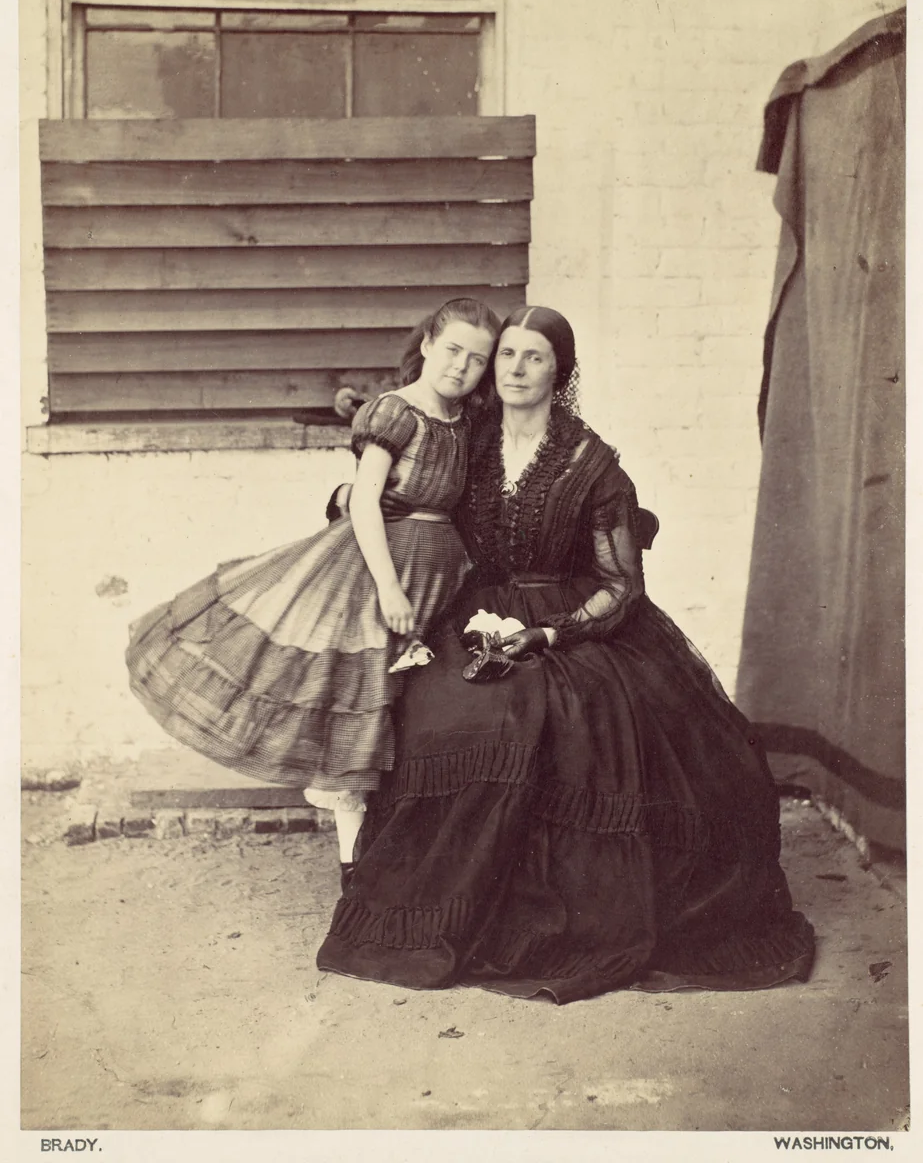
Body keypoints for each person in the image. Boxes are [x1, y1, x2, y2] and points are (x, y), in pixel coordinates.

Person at [316, 305, 816, 1003]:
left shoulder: (591, 463)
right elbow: (405, 488)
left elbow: (620, 586)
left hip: (570, 620)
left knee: (552, 713)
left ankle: (557, 918)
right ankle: (440, 907)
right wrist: (350, 494)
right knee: (444, 709)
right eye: (506, 356)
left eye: (534, 358)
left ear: (560, 371)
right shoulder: (469, 439)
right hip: (468, 608)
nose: (515, 370)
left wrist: (549, 634)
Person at [126, 297, 500, 888]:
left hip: (440, 577)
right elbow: (365, 501)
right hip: (378, 572)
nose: (461, 367)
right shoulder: (395, 413)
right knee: (360, 706)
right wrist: (388, 588)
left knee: (412, 713)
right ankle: (355, 869)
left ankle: (401, 851)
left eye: (477, 360)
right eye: (452, 349)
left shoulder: (464, 425)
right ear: (427, 345)